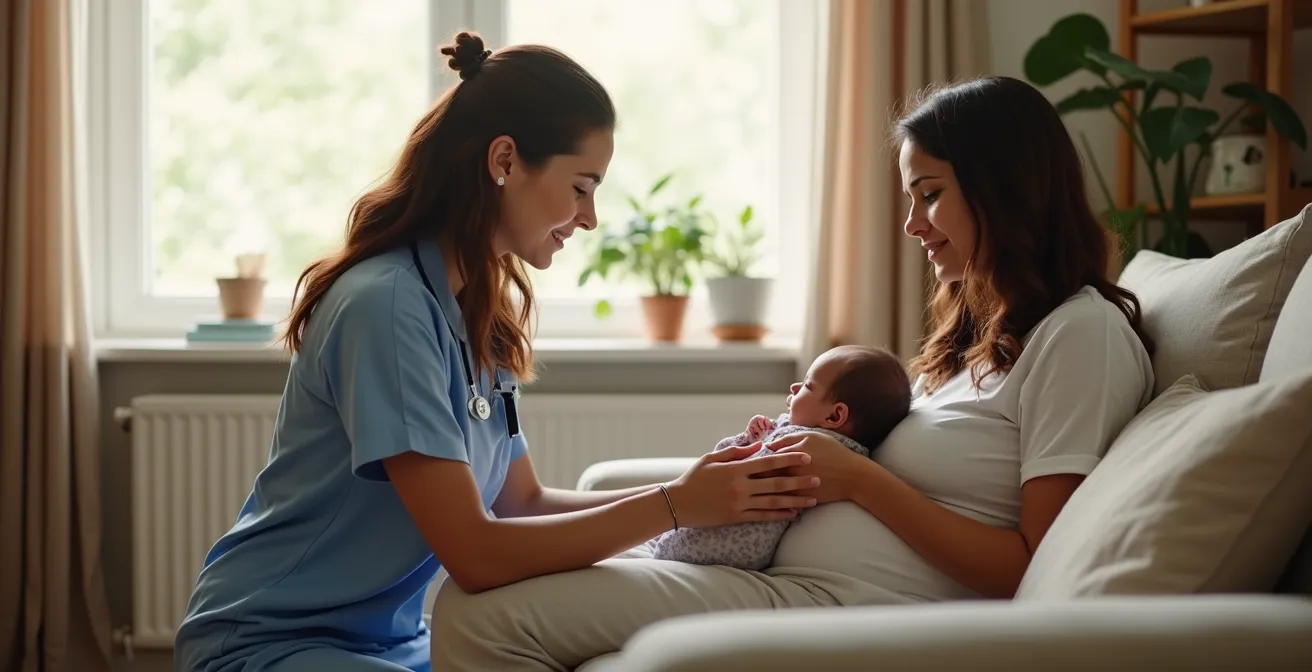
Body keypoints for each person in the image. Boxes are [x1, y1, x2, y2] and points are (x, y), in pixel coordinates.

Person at [426, 75, 1157, 671]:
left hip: (842, 612)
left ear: (1006, 189)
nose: (911, 224)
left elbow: (1035, 568)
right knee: (471, 607)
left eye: (929, 193)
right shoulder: (972, 348)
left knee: (480, 620)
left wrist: (862, 481)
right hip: (775, 581)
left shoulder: (1079, 337)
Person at [172, 32, 817, 672]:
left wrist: (696, 491)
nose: (590, 218)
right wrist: (676, 507)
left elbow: (522, 503)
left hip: (389, 643)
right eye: (582, 186)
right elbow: (476, 556)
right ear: (504, 160)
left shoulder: (477, 309)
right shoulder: (386, 307)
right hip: (267, 643)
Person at [645, 345, 912, 569]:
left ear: (834, 416)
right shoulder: (816, 442)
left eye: (808, 385)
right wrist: (752, 437)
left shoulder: (820, 452)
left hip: (735, 539)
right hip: (735, 535)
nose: (795, 387)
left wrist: (747, 444)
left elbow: (732, 465)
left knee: (671, 540)